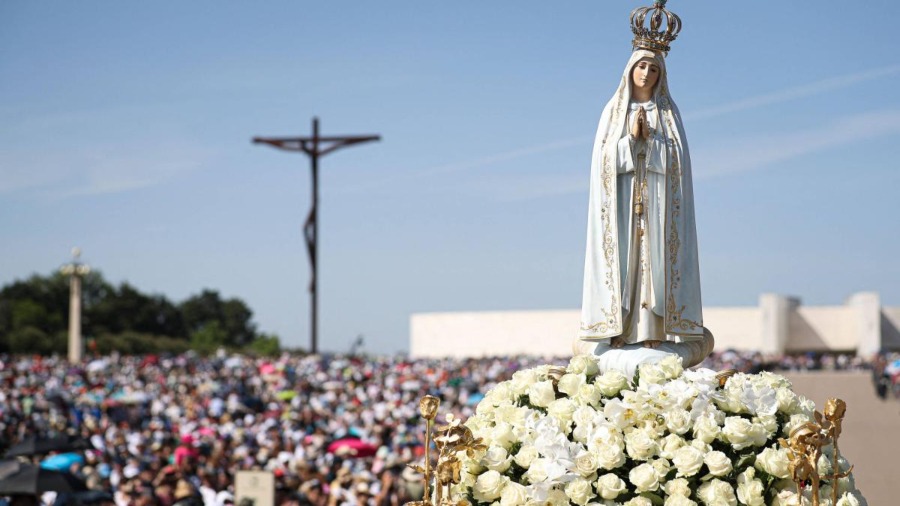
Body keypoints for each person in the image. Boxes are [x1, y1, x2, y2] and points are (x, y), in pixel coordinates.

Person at [578, 3, 713, 372]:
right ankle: (619, 328)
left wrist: (650, 145)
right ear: (630, 69)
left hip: (657, 206)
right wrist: (628, 144)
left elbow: (678, 163)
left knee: (654, 262)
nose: (647, 73)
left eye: (654, 68)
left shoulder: (667, 113)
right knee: (625, 264)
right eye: (642, 66)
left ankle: (654, 329)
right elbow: (602, 162)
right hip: (623, 206)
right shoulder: (613, 111)